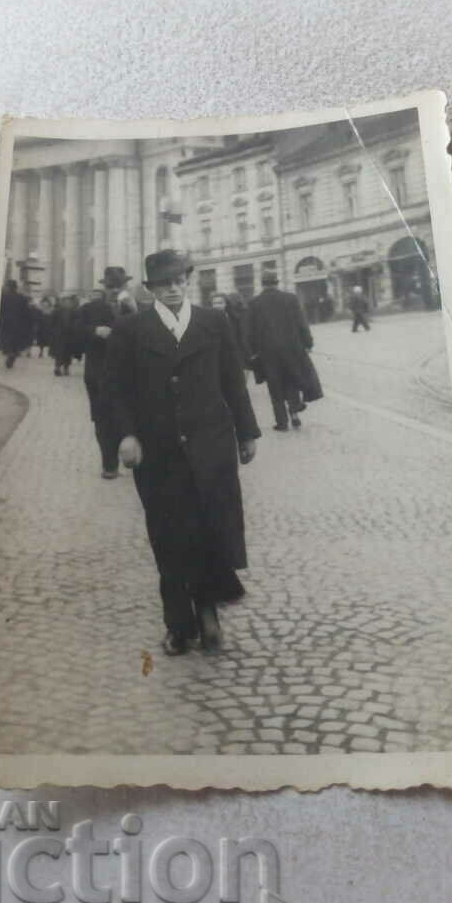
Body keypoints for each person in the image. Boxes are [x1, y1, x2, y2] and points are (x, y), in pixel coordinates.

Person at [103, 250, 260, 655]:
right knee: (169, 537)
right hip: (158, 454)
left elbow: (233, 382)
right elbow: (115, 392)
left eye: (178, 282)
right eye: (162, 284)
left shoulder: (213, 322)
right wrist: (126, 435)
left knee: (210, 529)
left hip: (211, 446)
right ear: (151, 289)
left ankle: (207, 609)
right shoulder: (131, 330)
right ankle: (178, 625)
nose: (172, 289)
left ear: (187, 282)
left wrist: (247, 433)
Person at [73, 268, 133, 479]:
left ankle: (131, 457)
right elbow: (75, 332)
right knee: (103, 418)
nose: (115, 290)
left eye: (119, 286)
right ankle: (109, 464)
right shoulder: (89, 309)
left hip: (130, 374)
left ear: (125, 286)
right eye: (110, 286)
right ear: (104, 287)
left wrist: (133, 311)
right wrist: (94, 331)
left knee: (130, 415)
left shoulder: (134, 308)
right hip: (98, 373)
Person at [248, 269, 323, 431]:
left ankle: (281, 423)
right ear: (277, 282)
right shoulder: (291, 299)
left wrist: (253, 352)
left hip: (267, 352)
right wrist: (308, 342)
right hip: (291, 349)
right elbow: (301, 323)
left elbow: (250, 331)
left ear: (262, 284)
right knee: (290, 380)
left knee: (275, 386)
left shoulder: (254, 303)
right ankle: (294, 412)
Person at [0, 279, 33, 368]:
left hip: (5, 324)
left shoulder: (3, 297)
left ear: (8, 287)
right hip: (18, 325)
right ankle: (12, 353)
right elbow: (27, 313)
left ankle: (10, 353)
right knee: (15, 343)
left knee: (6, 342)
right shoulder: (22, 298)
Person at [48, 294, 79, 376]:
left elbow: (77, 323)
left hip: (70, 336)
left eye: (69, 302)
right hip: (59, 336)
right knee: (59, 353)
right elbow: (51, 322)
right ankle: (57, 368)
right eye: (66, 302)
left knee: (68, 353)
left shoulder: (75, 312)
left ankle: (66, 368)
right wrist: (53, 332)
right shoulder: (57, 311)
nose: (68, 303)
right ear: (63, 302)